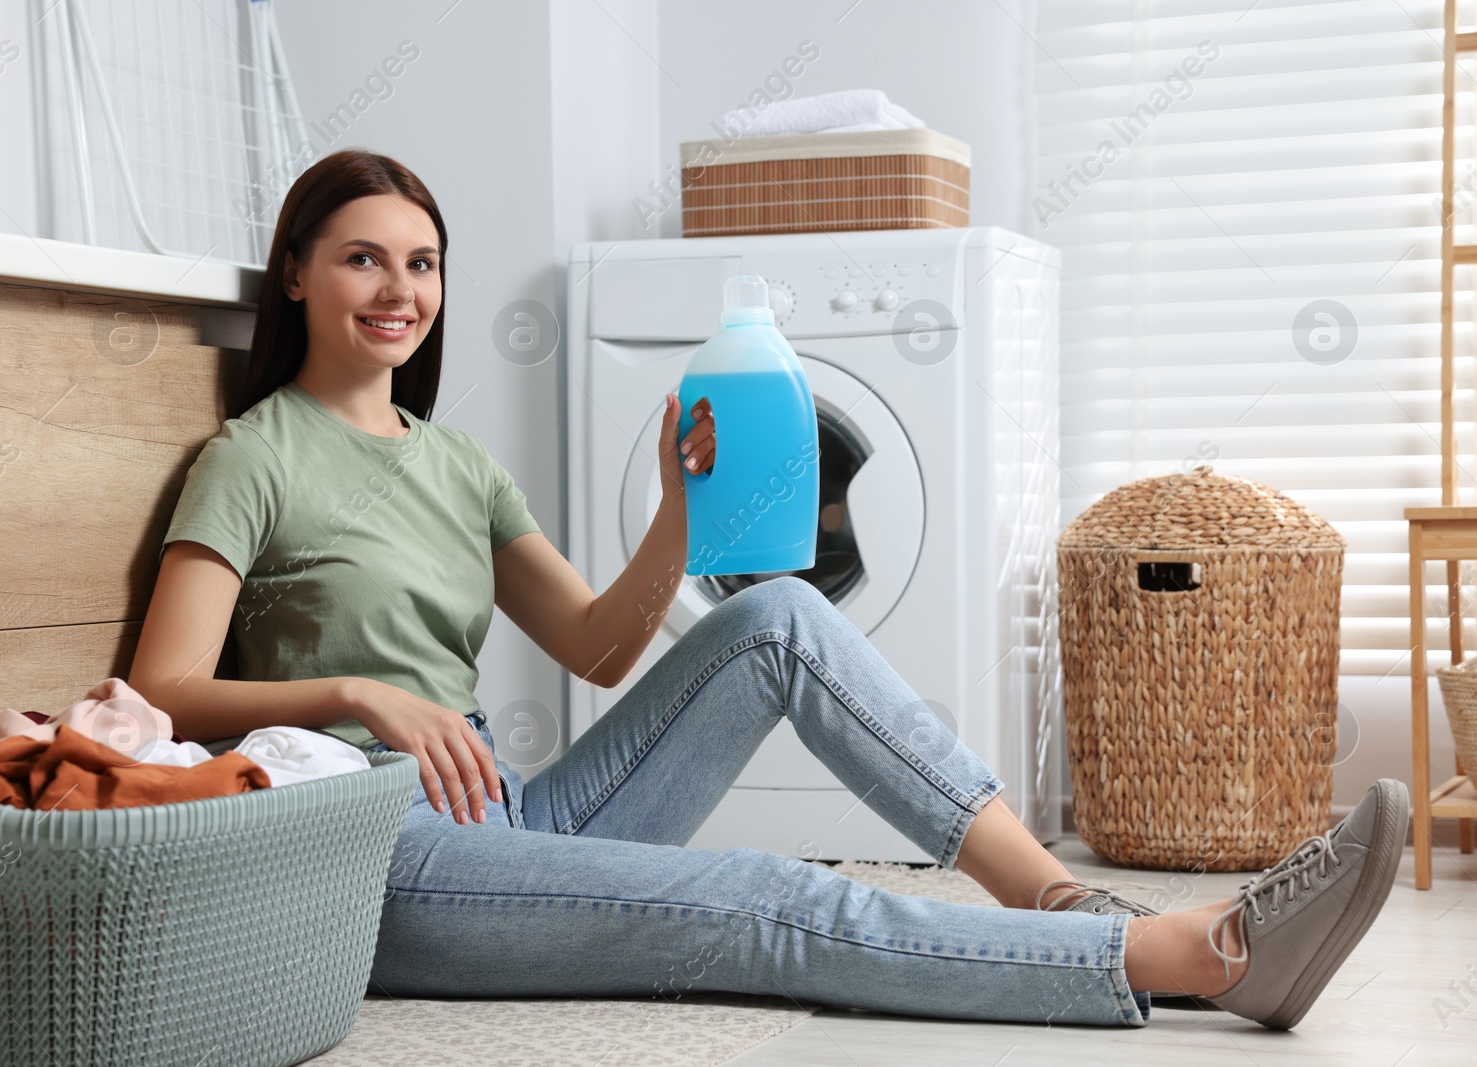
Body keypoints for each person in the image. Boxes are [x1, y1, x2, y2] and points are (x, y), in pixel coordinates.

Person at [129, 149, 1410, 1032]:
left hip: (513, 816)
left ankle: (1057, 893)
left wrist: (680, 511)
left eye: (422, 262)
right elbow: (160, 693)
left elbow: (594, 647)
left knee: (784, 616)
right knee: (762, 896)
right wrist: (362, 692)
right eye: (364, 260)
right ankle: (1191, 955)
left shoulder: (457, 462)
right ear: (296, 273)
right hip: (373, 854)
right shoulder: (255, 458)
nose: (400, 290)